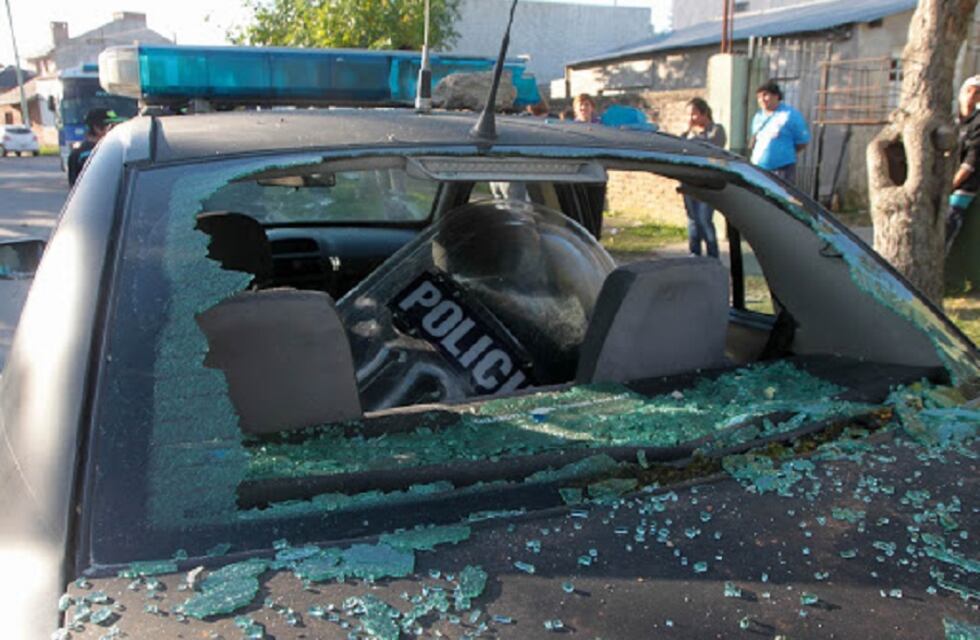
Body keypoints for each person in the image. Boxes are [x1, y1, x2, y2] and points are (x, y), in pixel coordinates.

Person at [681, 98, 727, 258]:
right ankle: (694, 255)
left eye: (693, 114)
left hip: (707, 182)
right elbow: (679, 147)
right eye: (689, 115)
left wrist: (694, 139)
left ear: (704, 113)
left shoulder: (716, 130)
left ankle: (712, 256)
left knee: (704, 220)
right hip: (689, 181)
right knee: (693, 221)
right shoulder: (687, 134)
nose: (691, 118)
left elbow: (712, 147)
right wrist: (686, 132)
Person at [749, 80, 810, 184]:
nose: (762, 100)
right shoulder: (758, 116)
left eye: (765, 95)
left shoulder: (791, 115)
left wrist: (784, 152)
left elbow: (802, 142)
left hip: (782, 170)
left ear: (776, 96)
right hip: (759, 168)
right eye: (759, 97)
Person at [946, 75, 980, 254]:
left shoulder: (978, 124)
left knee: (950, 221)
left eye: (976, 93)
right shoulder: (951, 121)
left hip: (964, 186)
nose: (971, 97)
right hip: (944, 180)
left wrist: (951, 185)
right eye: (968, 91)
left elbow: (970, 162)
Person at [67, 108, 119, 187]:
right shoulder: (95, 154)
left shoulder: (75, 153)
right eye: (112, 126)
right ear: (97, 128)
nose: (117, 129)